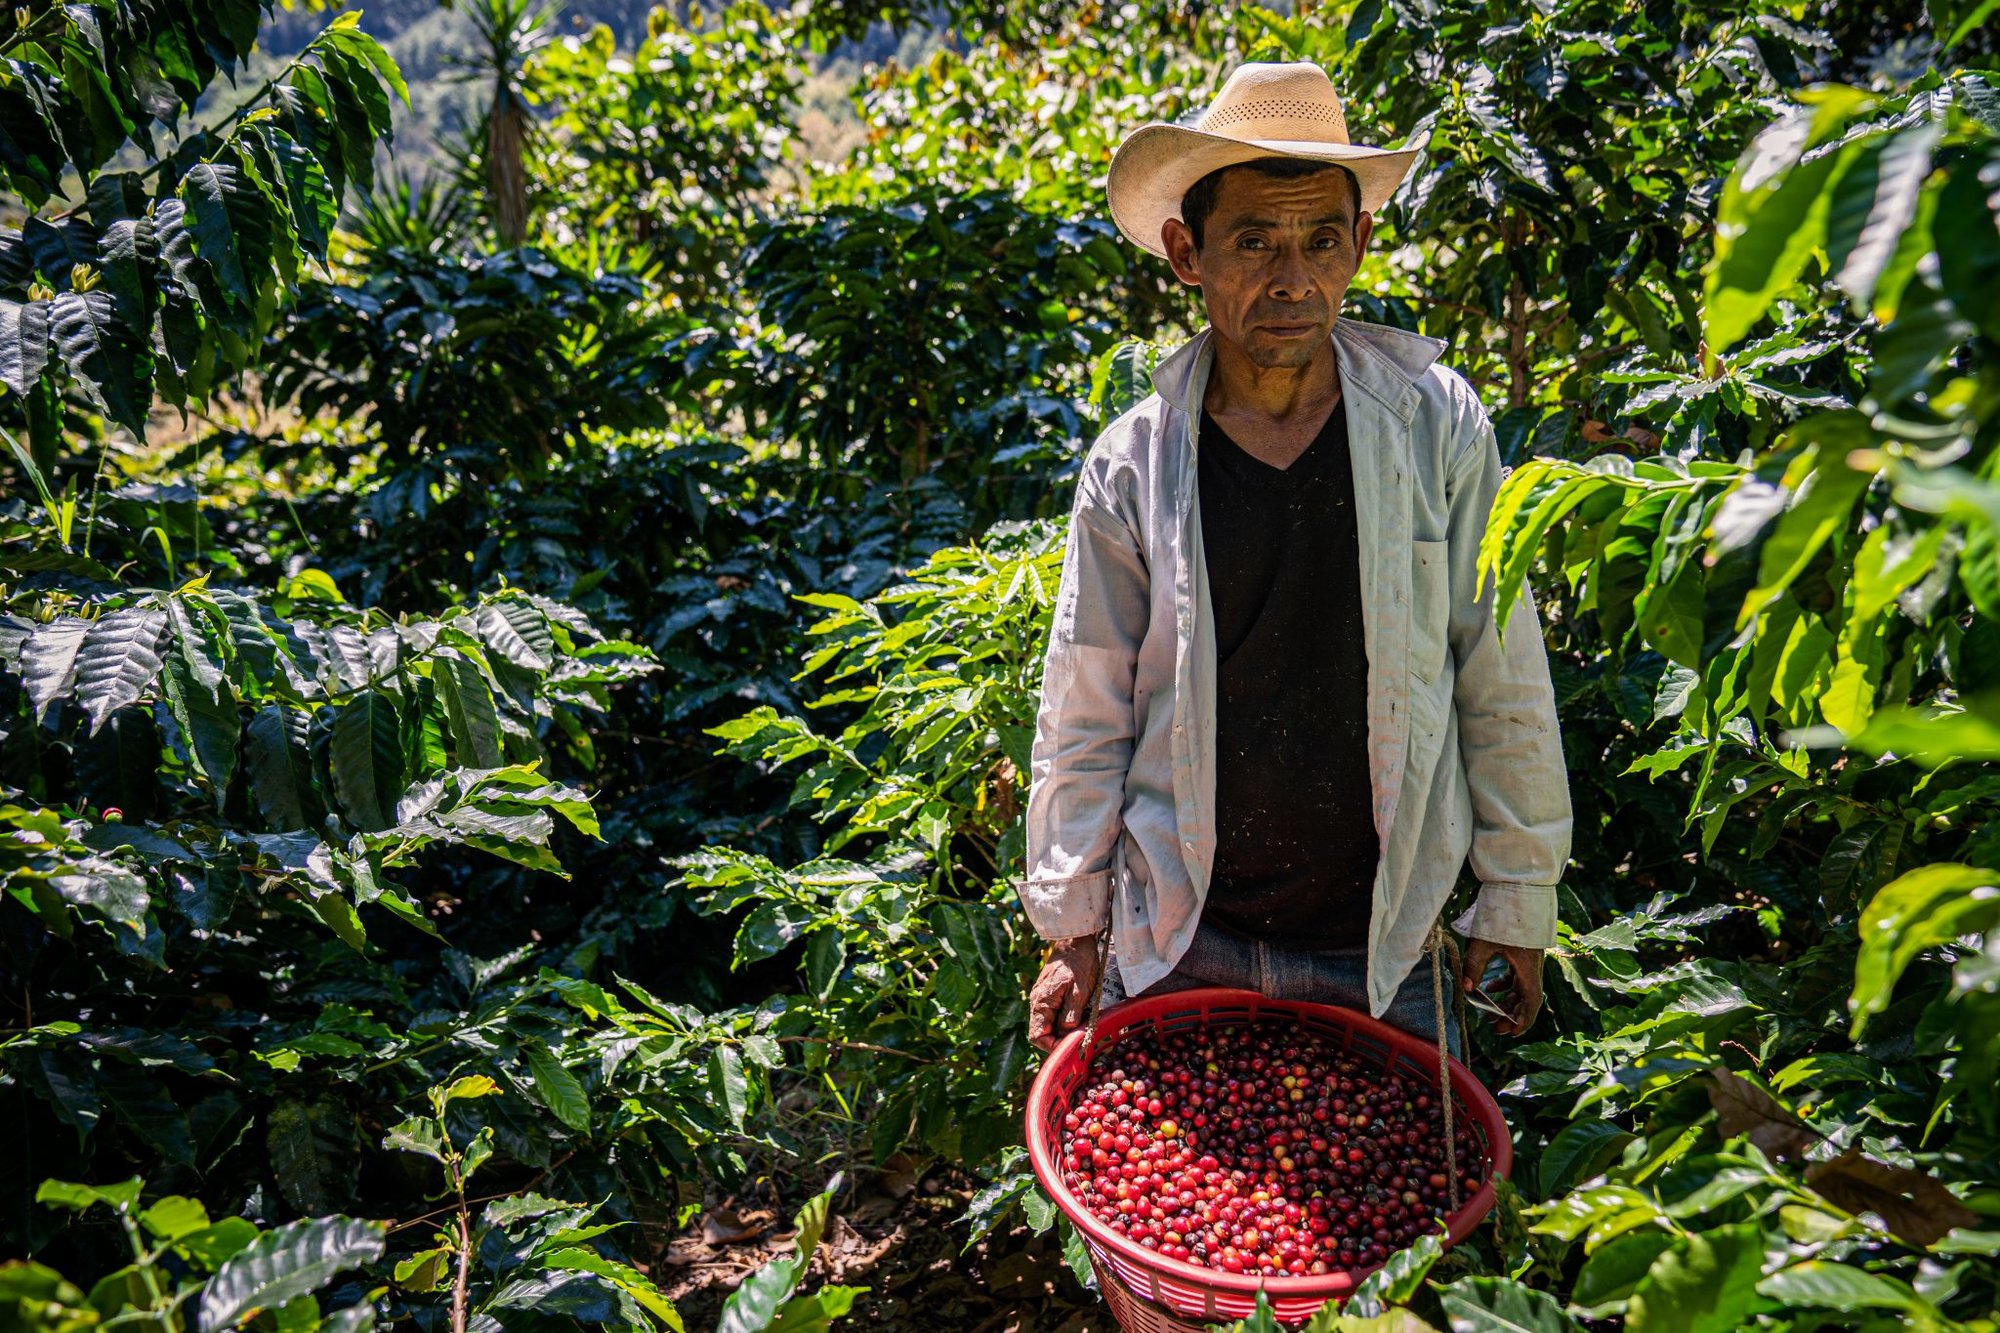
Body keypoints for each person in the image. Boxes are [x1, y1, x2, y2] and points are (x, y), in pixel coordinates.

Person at [1019, 61, 1573, 1058]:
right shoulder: (1136, 464)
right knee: (1183, 1208)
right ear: (1187, 255)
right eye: (1252, 241)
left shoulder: (1434, 429)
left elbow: (1497, 669)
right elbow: (1086, 704)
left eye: (1321, 239)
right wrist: (1072, 923)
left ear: (1358, 244)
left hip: (1384, 939)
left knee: (1404, 1204)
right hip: (1183, 931)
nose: (1291, 276)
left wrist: (1514, 899)